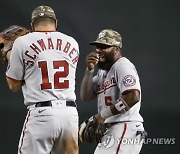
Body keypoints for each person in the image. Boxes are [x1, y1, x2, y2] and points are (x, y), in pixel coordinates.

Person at [5, 5, 79, 154]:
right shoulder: (72, 42)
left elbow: (14, 85)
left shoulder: (22, 42)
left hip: (42, 114)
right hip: (69, 115)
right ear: (56, 23)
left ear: (32, 25)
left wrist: (9, 54)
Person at [80, 29, 146, 154]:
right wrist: (89, 71)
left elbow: (133, 97)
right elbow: (85, 96)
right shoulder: (102, 72)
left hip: (125, 126)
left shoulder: (122, 66)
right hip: (114, 129)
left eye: (104, 47)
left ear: (116, 48)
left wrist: (101, 116)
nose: (99, 50)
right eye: (98, 46)